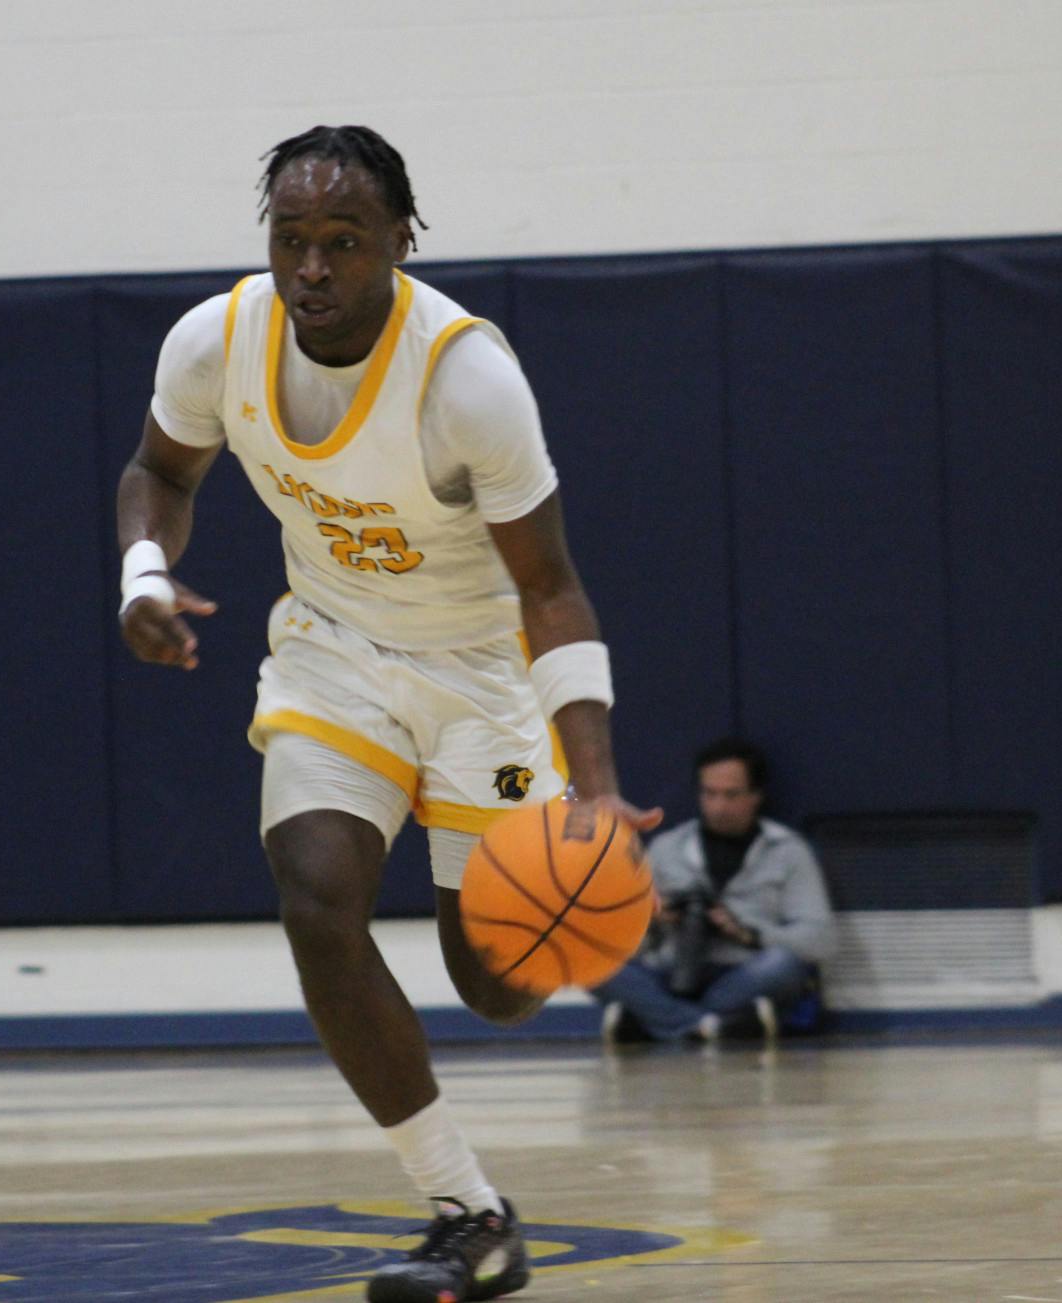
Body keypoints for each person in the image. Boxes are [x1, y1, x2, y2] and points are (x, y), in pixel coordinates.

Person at [114, 125, 659, 1303]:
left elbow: (549, 586)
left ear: (398, 243)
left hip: (479, 674)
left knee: (498, 985)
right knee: (315, 899)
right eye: (290, 239)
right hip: (335, 651)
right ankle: (468, 1211)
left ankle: (535, 853)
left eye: (341, 242)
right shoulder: (216, 341)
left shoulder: (467, 378)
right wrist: (141, 576)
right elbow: (157, 473)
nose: (310, 267)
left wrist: (597, 783)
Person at [593, 737, 835, 1045]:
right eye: (710, 794)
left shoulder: (788, 850)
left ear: (756, 795)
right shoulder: (667, 848)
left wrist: (748, 933)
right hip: (672, 969)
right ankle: (717, 1026)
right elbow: (631, 942)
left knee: (785, 966)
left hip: (744, 971)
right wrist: (653, 918)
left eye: (732, 795)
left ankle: (657, 1022)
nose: (719, 806)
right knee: (592, 964)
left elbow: (821, 940)